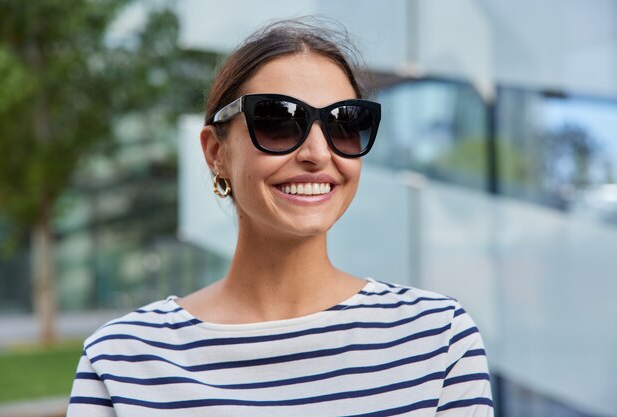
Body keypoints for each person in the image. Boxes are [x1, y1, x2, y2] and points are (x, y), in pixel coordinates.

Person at [67, 19, 494, 417]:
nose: (318, 154)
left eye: (344, 123)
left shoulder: (437, 339)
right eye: (278, 122)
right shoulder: (124, 360)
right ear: (217, 153)